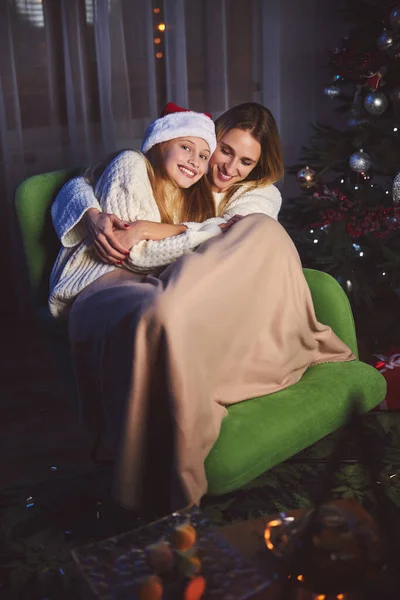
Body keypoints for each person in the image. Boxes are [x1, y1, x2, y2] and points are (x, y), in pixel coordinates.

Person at [49, 102, 355, 516]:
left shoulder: (257, 193)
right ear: (212, 139)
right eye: (225, 151)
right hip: (147, 286)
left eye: (246, 161)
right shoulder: (175, 171)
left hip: (210, 290)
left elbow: (227, 236)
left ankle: (237, 348)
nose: (229, 167)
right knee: (164, 310)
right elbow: (83, 189)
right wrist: (94, 216)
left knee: (262, 230)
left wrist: (153, 229)